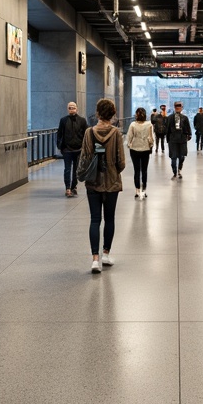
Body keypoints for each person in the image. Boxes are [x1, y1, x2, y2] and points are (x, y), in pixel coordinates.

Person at [78, 97, 126, 273]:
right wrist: (112, 170)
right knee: (110, 218)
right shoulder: (116, 133)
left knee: (95, 219)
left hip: (93, 182)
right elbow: (121, 162)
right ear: (113, 114)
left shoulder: (89, 133)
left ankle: (95, 260)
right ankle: (106, 254)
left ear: (97, 113)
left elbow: (84, 157)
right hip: (112, 183)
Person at [57, 100, 88, 197]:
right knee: (67, 169)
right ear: (67, 109)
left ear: (77, 109)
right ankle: (68, 188)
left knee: (76, 169)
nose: (71, 109)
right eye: (69, 108)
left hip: (78, 149)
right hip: (67, 149)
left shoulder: (82, 121)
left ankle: (74, 186)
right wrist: (60, 146)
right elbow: (59, 134)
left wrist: (84, 147)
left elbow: (86, 134)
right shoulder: (63, 120)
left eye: (73, 107)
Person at [125, 106, 154, 199]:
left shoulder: (133, 125)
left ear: (136, 115)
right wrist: (151, 145)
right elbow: (151, 137)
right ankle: (144, 190)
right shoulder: (149, 124)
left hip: (135, 149)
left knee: (136, 170)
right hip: (145, 149)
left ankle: (137, 190)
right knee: (144, 170)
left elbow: (129, 136)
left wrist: (129, 145)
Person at [165, 100, 192, 179]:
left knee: (182, 156)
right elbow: (167, 129)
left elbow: (188, 127)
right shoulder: (170, 118)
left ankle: (179, 169)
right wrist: (167, 139)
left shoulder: (185, 118)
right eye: (177, 106)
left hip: (182, 140)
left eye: (179, 106)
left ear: (182, 108)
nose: (178, 108)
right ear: (174, 107)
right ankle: (174, 172)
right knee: (173, 157)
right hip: (173, 140)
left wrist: (189, 135)